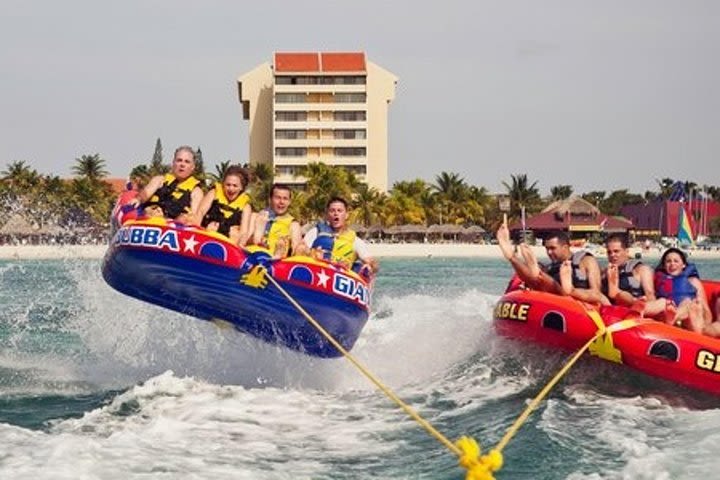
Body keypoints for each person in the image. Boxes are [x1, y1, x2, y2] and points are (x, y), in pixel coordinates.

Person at [496, 222, 607, 305]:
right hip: (555, 303)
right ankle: (511, 257)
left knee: (545, 280)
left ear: (565, 247)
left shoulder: (585, 261)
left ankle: (536, 272)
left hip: (579, 304)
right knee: (534, 279)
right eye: (547, 248)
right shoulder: (551, 267)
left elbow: (596, 293)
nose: (549, 252)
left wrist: (572, 291)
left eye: (553, 248)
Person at [298, 196, 378, 274]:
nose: (336, 213)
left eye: (339, 211)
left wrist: (369, 266)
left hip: (339, 278)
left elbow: (372, 262)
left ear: (346, 215)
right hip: (315, 274)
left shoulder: (355, 241)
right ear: (327, 215)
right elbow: (300, 250)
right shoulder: (315, 232)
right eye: (332, 211)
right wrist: (311, 253)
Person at [129, 146, 203, 223]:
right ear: (173, 163)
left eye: (187, 162)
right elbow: (145, 194)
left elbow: (194, 218)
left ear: (192, 167)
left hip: (173, 228)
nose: (182, 164)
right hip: (148, 220)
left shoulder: (196, 192)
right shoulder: (159, 180)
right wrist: (138, 199)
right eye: (179, 160)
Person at [603, 234, 668, 318]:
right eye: (609, 252)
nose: (612, 255)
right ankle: (617, 293)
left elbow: (650, 294)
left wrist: (650, 311)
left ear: (626, 252)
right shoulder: (605, 273)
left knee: (663, 302)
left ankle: (633, 304)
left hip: (637, 309)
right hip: (614, 311)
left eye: (616, 251)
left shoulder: (641, 269)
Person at [654, 247, 712, 333]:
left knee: (688, 302)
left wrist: (706, 327)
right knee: (662, 302)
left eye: (676, 261)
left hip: (693, 321)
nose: (672, 264)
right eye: (668, 261)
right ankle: (639, 311)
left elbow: (707, 312)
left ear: (684, 265)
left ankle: (674, 316)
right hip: (671, 323)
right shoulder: (659, 281)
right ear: (664, 265)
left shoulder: (693, 281)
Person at [196, 165, 252, 246]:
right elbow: (200, 213)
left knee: (235, 233)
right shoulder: (213, 193)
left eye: (235, 186)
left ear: (241, 188)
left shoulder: (246, 207)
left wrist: (239, 245)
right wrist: (199, 232)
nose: (231, 189)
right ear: (223, 185)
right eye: (228, 185)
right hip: (209, 233)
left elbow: (244, 233)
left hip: (229, 242)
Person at [251, 183, 302, 258]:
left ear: (289, 202)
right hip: (255, 257)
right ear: (270, 200)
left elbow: (296, 252)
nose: (281, 202)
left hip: (277, 263)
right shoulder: (257, 217)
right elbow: (245, 241)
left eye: (285, 198)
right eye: (278, 198)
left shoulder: (293, 224)